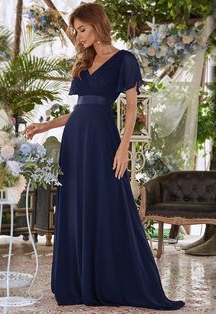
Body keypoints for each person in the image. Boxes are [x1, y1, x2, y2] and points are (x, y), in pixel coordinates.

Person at [25, 2, 185, 310]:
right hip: (75, 142)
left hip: (103, 142)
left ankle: (116, 281)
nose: (78, 36)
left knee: (111, 205)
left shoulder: (124, 60)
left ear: (98, 25)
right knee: (76, 206)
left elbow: (132, 108)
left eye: (82, 29)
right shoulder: (83, 61)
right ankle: (78, 283)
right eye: (75, 31)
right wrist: (44, 126)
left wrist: (123, 147)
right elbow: (77, 110)